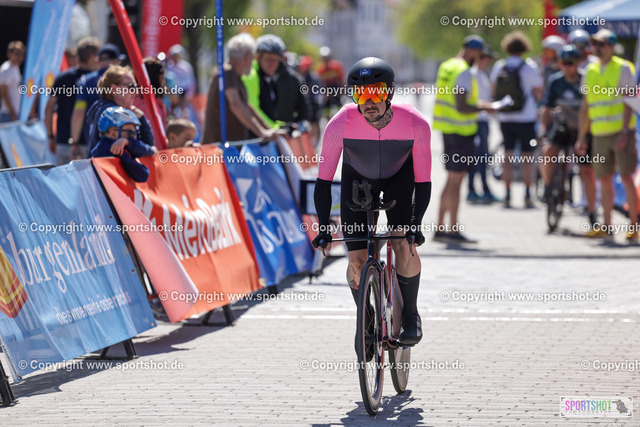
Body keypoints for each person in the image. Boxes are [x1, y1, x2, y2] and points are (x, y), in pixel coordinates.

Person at [312, 57, 432, 348]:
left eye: (375, 92)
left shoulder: (415, 122)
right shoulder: (340, 122)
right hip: (358, 182)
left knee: (403, 243)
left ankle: (411, 313)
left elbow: (423, 182)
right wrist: (324, 227)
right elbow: (324, 181)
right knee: (356, 260)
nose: (368, 101)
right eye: (360, 93)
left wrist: (415, 224)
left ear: (389, 93)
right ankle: (365, 318)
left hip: (399, 180)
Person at [576, 29, 638, 241]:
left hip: (622, 132)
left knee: (626, 177)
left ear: (612, 47)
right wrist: (581, 137)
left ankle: (633, 227)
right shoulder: (590, 70)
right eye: (595, 44)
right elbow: (585, 106)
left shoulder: (623, 67)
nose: (597, 48)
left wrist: (624, 132)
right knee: (604, 180)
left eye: (601, 44)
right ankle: (607, 226)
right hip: (599, 133)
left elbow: (630, 101)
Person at [433, 35, 494, 244]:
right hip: (461, 131)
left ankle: (440, 228)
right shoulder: (464, 72)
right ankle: (453, 230)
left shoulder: (447, 66)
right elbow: (461, 105)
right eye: (480, 53)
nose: (481, 57)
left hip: (447, 128)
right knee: (456, 182)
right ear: (473, 51)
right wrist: (485, 107)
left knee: (451, 179)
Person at [538, 45, 598, 228]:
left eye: (571, 63)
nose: (567, 66)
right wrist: (543, 130)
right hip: (563, 126)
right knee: (547, 151)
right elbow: (546, 107)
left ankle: (592, 212)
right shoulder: (556, 81)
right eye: (563, 63)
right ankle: (548, 186)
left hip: (583, 128)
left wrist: (585, 135)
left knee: (586, 170)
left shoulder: (586, 79)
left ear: (578, 63)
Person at [490, 31, 543, 208]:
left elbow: (494, 91)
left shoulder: (500, 66)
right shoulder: (530, 67)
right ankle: (527, 193)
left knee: (507, 155)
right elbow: (538, 93)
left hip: (506, 117)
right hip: (526, 118)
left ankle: (507, 193)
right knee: (528, 157)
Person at [202, 33, 278, 144]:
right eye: (252, 57)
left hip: (228, 147)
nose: (253, 62)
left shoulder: (235, 76)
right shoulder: (227, 72)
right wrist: (262, 132)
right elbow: (236, 104)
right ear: (247, 57)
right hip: (220, 148)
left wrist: (269, 130)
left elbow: (247, 107)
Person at [45, 37, 100, 164]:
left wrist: (50, 136)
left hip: (64, 143)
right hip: (88, 144)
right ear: (92, 57)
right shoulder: (97, 81)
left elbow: (48, 109)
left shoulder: (62, 78)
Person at [83, 65, 155, 154]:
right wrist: (150, 149)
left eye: (136, 87)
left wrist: (141, 119)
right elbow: (143, 150)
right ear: (114, 89)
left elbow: (147, 146)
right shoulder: (112, 113)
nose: (136, 92)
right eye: (131, 87)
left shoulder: (103, 109)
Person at [244, 34, 311, 128]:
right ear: (258, 57)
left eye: (276, 60)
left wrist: (288, 126)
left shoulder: (270, 78)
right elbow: (253, 110)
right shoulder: (251, 75)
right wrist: (276, 129)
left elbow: (304, 110)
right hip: (259, 134)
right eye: (268, 59)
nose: (272, 63)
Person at [70, 44, 123, 150]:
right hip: (121, 141)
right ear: (117, 61)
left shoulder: (86, 81)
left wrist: (74, 142)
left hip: (93, 142)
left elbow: (79, 112)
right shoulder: (125, 79)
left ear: (98, 61)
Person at [465, 45, 500, 204]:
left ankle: (478, 189)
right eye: (487, 57)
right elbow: (472, 99)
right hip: (477, 120)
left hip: (483, 120)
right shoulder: (473, 74)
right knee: (478, 157)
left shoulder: (482, 74)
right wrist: (488, 106)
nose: (489, 60)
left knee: (481, 156)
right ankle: (477, 189)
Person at [91, 106, 157, 183]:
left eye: (135, 133)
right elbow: (142, 175)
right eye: (130, 133)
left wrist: (127, 142)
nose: (134, 137)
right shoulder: (117, 150)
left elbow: (143, 148)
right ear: (113, 134)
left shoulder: (101, 146)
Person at [133, 57, 168, 131]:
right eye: (163, 77)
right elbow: (154, 136)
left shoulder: (141, 101)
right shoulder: (147, 107)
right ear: (159, 78)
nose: (164, 81)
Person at [0, 41, 25, 123]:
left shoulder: (15, 69)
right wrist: (12, 113)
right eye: (17, 53)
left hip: (15, 114)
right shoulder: (6, 69)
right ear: (9, 54)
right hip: (8, 115)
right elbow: (4, 93)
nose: (19, 56)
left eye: (21, 54)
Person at [317, 46, 345, 117]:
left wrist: (341, 91)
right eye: (324, 58)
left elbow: (341, 80)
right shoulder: (320, 69)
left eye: (327, 58)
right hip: (327, 90)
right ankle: (329, 121)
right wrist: (325, 93)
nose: (325, 60)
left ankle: (341, 119)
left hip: (337, 88)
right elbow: (320, 83)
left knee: (339, 107)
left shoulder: (336, 66)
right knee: (327, 109)